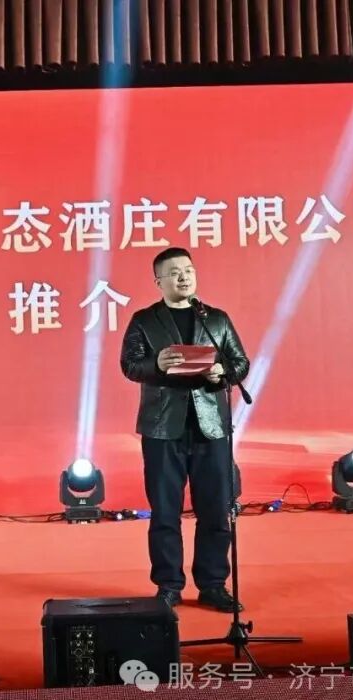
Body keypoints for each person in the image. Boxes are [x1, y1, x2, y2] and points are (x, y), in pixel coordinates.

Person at [119, 247, 250, 611]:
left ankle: (213, 584)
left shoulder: (216, 319)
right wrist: (157, 365)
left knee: (216, 509)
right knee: (165, 512)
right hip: (163, 428)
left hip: (212, 428)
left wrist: (223, 372)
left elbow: (240, 362)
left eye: (189, 270)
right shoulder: (144, 320)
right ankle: (168, 585)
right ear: (158, 281)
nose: (183, 277)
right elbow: (129, 366)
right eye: (174, 272)